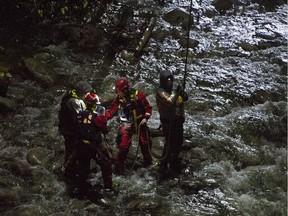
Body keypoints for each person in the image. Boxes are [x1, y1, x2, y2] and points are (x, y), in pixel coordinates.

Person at [105, 77, 153, 175]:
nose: (117, 93)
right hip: (128, 124)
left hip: (140, 122)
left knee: (144, 143)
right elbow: (111, 112)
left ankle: (148, 163)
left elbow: (148, 108)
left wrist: (145, 118)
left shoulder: (137, 95)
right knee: (123, 145)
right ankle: (119, 166)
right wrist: (100, 119)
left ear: (124, 90)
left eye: (118, 91)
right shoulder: (118, 100)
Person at [71, 93, 112, 200]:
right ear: (95, 105)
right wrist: (103, 116)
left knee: (83, 169)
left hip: (80, 146)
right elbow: (105, 131)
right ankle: (108, 187)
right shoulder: (98, 117)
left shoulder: (78, 115)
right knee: (106, 163)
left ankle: (80, 190)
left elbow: (75, 129)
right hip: (93, 147)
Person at [155, 71, 188, 179]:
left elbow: (182, 101)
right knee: (169, 144)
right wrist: (176, 92)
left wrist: (182, 93)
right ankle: (163, 165)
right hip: (167, 123)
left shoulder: (174, 91)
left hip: (178, 121)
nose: (169, 81)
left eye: (171, 79)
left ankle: (174, 161)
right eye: (167, 80)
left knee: (178, 142)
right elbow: (170, 101)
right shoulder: (160, 92)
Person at [58, 80, 92, 178]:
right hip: (69, 130)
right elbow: (81, 116)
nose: (89, 94)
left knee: (74, 149)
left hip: (69, 126)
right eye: (86, 93)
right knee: (71, 149)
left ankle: (72, 168)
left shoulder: (73, 96)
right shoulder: (73, 101)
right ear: (81, 93)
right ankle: (67, 171)